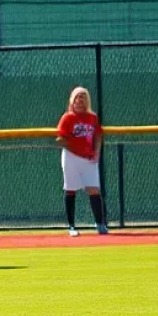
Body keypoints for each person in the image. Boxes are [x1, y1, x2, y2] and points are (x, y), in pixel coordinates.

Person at [56, 87, 107, 236]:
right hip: (71, 157)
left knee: (94, 189)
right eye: (77, 97)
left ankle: (100, 224)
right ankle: (71, 226)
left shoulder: (92, 117)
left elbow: (98, 135)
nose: (80, 100)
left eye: (83, 97)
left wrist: (96, 152)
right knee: (70, 189)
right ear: (72, 100)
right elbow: (60, 139)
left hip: (89, 158)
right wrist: (74, 146)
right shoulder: (68, 117)